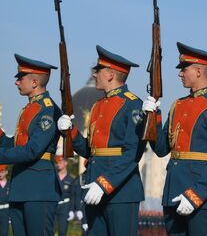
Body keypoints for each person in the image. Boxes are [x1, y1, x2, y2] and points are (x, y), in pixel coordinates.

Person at [142, 43, 207, 236]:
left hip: (200, 197)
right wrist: (154, 118)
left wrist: (195, 195)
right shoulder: (178, 105)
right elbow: (161, 149)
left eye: (184, 69)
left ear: (199, 71)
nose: (180, 74)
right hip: (173, 192)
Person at [57, 46, 146, 235]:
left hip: (120, 193)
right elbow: (90, 151)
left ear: (111, 74)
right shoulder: (98, 106)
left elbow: (132, 154)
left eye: (99, 70)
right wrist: (71, 132)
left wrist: (104, 183)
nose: (94, 74)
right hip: (93, 187)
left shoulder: (133, 105)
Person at [0, 54, 61, 235]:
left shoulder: (47, 110)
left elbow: (32, 151)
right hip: (20, 188)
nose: (17, 83)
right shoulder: (28, 108)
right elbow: (16, 144)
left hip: (39, 190)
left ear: (34, 82)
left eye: (21, 78)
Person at [54, 156, 78, 236]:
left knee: (62, 232)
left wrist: (72, 210)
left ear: (66, 163)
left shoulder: (71, 178)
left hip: (65, 207)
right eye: (57, 163)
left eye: (60, 162)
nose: (58, 164)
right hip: (54, 206)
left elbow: (73, 195)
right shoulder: (53, 177)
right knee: (50, 230)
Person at [0, 165, 10, 236]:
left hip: (6, 211)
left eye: (2, 172)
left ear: (6, 172)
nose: (0, 174)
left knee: (4, 232)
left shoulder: (10, 184)